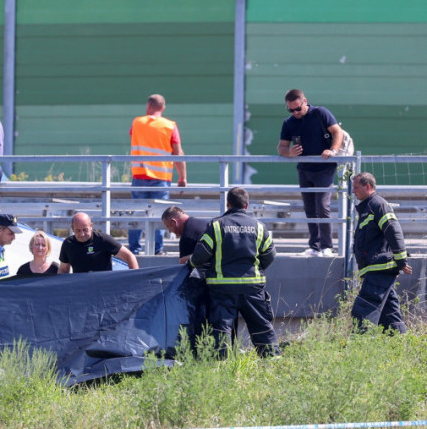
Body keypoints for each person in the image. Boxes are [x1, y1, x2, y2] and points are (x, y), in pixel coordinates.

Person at [189, 187, 280, 358]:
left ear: (228, 204)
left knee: (221, 331)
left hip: (223, 289)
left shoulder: (216, 225)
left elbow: (201, 255)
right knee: (261, 327)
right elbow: (270, 254)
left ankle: (221, 368)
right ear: (246, 205)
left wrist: (190, 264)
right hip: (252, 288)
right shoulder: (259, 226)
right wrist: (257, 270)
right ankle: (273, 362)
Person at [277, 89, 345, 257]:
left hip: (324, 168)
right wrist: (289, 153)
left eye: (298, 109)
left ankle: (326, 246)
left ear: (305, 101)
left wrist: (332, 151)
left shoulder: (320, 113)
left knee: (322, 206)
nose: (295, 113)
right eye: (291, 110)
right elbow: (281, 147)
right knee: (309, 208)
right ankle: (314, 246)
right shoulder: (289, 123)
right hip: (304, 169)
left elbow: (338, 133)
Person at [349, 172, 412, 334]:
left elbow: (393, 230)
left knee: (362, 310)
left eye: (356, 187)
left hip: (380, 268)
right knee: (389, 316)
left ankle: (360, 346)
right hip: (376, 268)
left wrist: (401, 260)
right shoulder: (367, 207)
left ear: (368, 186)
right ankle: (399, 343)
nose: (353, 191)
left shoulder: (377, 205)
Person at [128, 94, 187, 255]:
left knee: (138, 212)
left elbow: (134, 137)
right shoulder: (169, 126)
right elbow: (178, 152)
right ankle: (157, 249)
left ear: (149, 106)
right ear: (163, 108)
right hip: (161, 178)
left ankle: (133, 249)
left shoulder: (137, 123)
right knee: (161, 214)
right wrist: (182, 177)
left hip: (139, 176)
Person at [58, 212, 138, 273]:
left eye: (85, 230)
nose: (82, 234)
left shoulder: (103, 240)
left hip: (103, 288)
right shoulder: (68, 244)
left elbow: (129, 256)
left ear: (91, 226)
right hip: (81, 288)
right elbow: (63, 269)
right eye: (78, 230)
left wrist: (135, 279)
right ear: (72, 228)